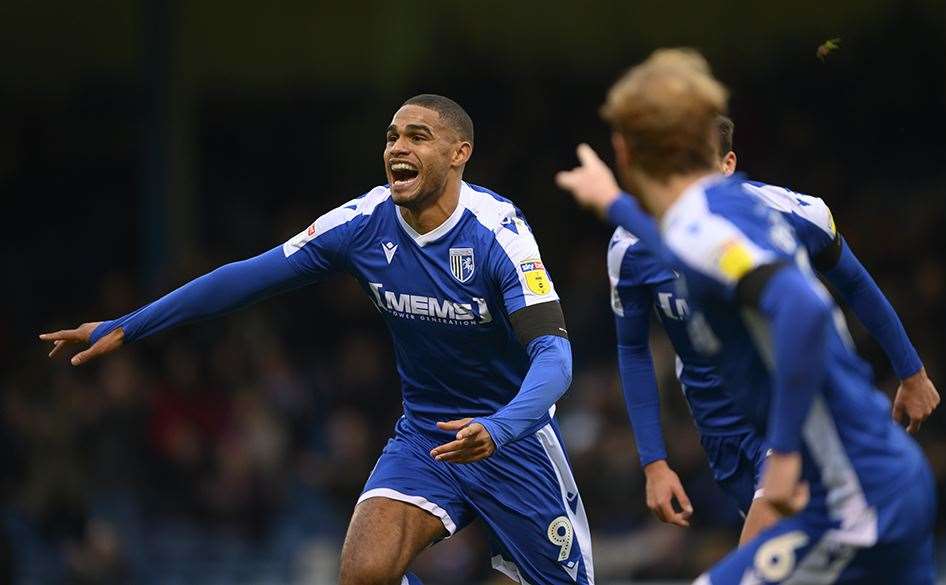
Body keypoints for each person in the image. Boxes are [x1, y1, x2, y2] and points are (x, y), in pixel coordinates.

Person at [41, 94, 593, 585]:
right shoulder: (362, 223)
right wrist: (129, 324)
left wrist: (499, 428)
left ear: (459, 154)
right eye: (392, 136)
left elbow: (555, 357)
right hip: (427, 433)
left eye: (417, 137)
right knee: (363, 574)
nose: (397, 147)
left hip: (514, 440)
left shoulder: (499, 233)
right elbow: (245, 278)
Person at [557, 49, 935, 583]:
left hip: (853, 497)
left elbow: (799, 308)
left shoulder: (705, 226)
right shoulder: (729, 212)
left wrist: (781, 456)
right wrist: (614, 203)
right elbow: (694, 252)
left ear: (625, 150)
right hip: (879, 475)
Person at [608, 115, 939, 543]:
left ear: (728, 165)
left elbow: (853, 285)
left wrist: (911, 372)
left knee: (761, 557)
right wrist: (654, 461)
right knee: (803, 556)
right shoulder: (632, 246)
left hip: (796, 412)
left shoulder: (793, 215)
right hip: (720, 429)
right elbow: (632, 348)